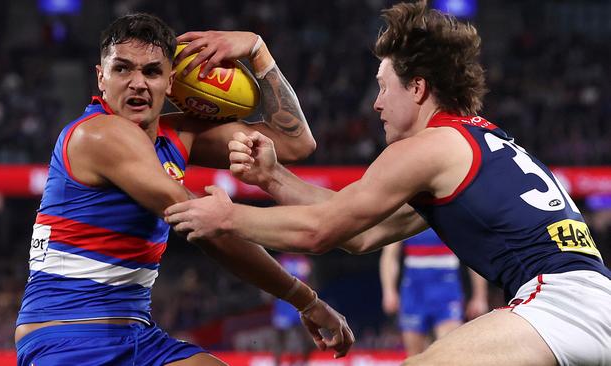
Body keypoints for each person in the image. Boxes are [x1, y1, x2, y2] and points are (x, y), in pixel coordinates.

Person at [164, 1, 611, 365]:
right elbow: (364, 233)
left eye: (383, 86)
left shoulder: (428, 146)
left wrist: (227, 218)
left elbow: (320, 231)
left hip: (556, 303)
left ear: (417, 89)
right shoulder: (473, 139)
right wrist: (273, 178)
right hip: (590, 299)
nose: (376, 104)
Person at [15, 13, 354, 366]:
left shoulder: (179, 136)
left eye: (151, 71)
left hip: (138, 337)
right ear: (101, 78)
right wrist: (307, 300)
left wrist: (257, 50)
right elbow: (209, 227)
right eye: (122, 69)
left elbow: (296, 143)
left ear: (171, 82)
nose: (137, 83)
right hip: (66, 339)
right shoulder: (97, 134)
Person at [379, 229, 489, 356]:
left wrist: (480, 296)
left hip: (446, 291)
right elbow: (390, 255)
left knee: (449, 352)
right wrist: (389, 291)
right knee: (415, 357)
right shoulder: (406, 215)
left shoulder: (451, 214)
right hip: (415, 293)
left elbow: (474, 254)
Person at [271, 253, 316, 365]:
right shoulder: (281, 261)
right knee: (280, 340)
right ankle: (277, 364)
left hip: (301, 305)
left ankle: (303, 363)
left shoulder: (305, 262)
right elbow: (271, 280)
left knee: (310, 340)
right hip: (284, 305)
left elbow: (313, 283)